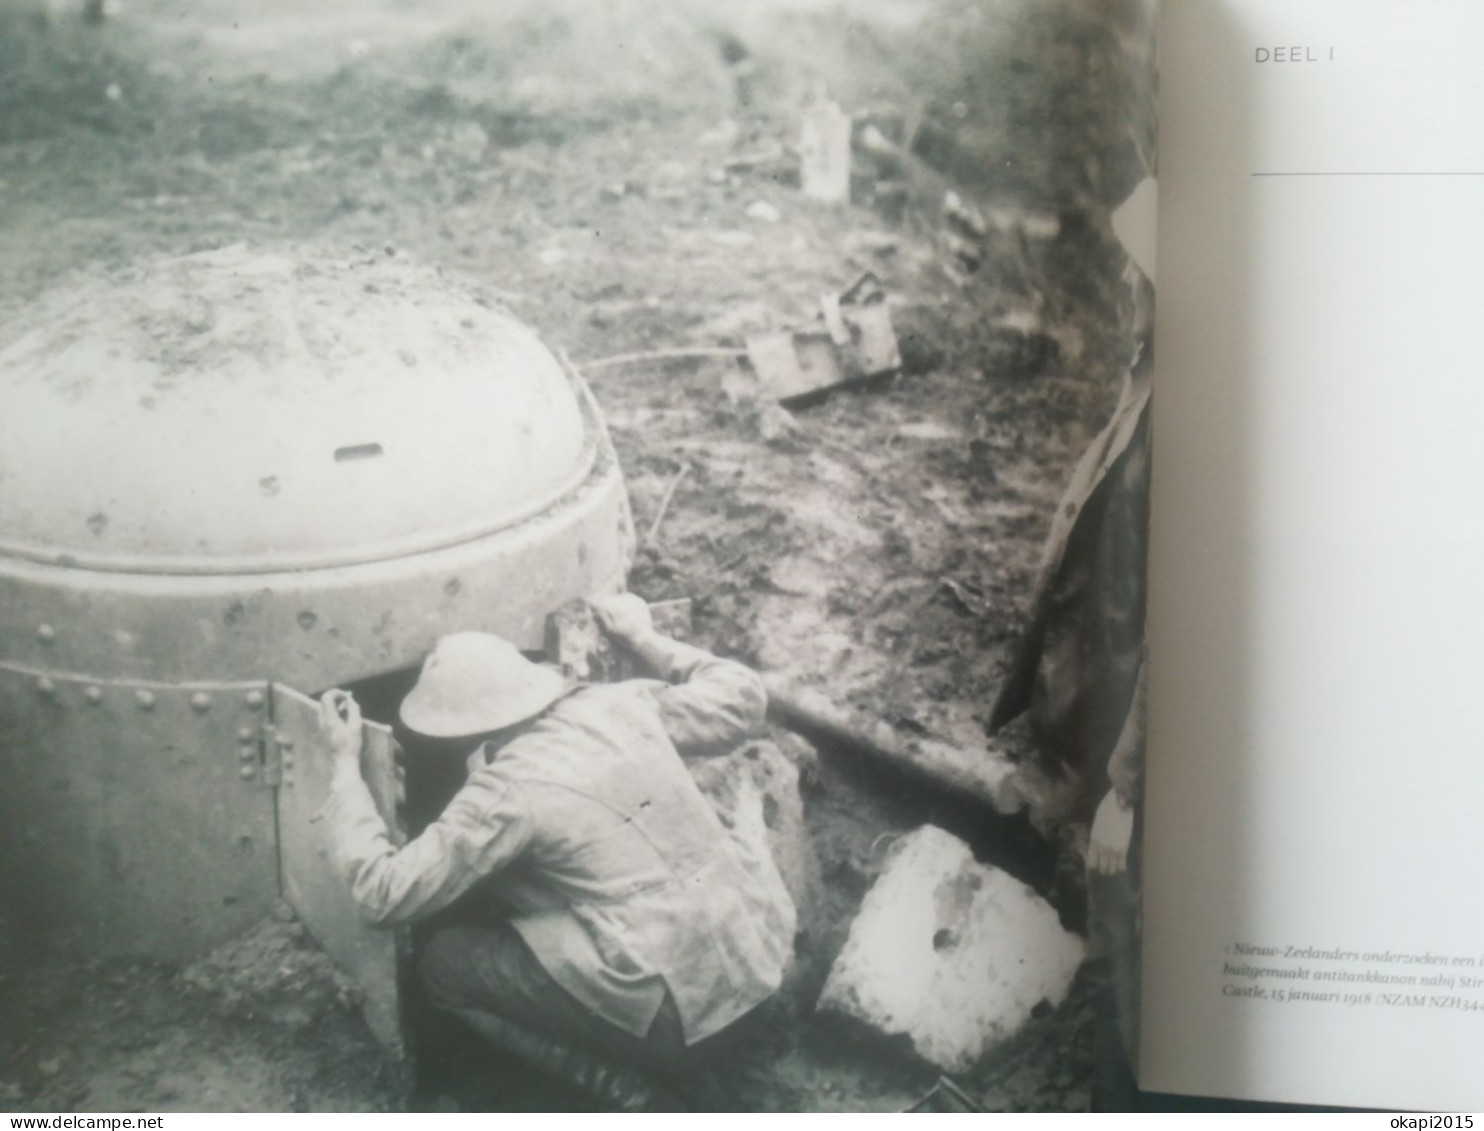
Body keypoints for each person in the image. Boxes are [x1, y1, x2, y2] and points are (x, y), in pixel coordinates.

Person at [316, 594, 795, 1111]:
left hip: (677, 1028)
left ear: (457, 731)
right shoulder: (619, 704)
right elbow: (742, 699)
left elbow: (381, 894)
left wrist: (344, 766)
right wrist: (643, 637)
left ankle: (631, 1093)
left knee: (443, 965)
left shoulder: (505, 790)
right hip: (763, 973)